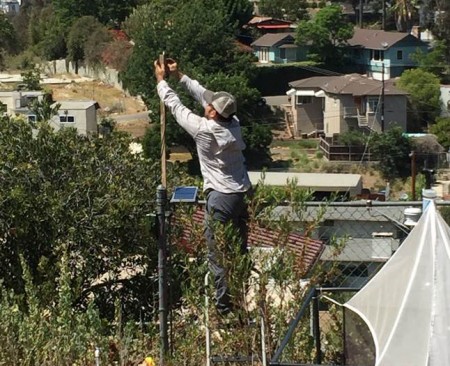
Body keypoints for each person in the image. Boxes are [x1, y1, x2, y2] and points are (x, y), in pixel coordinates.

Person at [154, 58, 251, 316]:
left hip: (221, 198)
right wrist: (180, 75)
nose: (207, 104)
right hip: (243, 194)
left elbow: (176, 107)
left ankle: (223, 308)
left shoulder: (204, 130)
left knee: (218, 253)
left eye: (210, 106)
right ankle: (241, 298)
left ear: (212, 113)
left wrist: (162, 82)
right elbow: (204, 94)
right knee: (239, 249)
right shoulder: (234, 123)